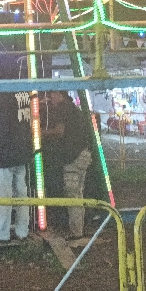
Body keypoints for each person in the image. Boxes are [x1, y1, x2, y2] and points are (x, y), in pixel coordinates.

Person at [0, 55, 33, 243]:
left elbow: (2, 127)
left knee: (4, 197)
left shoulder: (3, 96)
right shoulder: (23, 93)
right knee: (22, 195)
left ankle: (2, 233)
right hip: (22, 153)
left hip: (5, 156)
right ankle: (22, 231)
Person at [43, 91, 92, 239]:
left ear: (60, 95)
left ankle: (76, 232)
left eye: (52, 95)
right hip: (84, 154)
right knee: (79, 193)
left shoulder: (62, 109)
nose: (50, 99)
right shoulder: (74, 108)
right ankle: (79, 229)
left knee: (72, 195)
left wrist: (39, 132)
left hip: (73, 157)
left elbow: (59, 132)